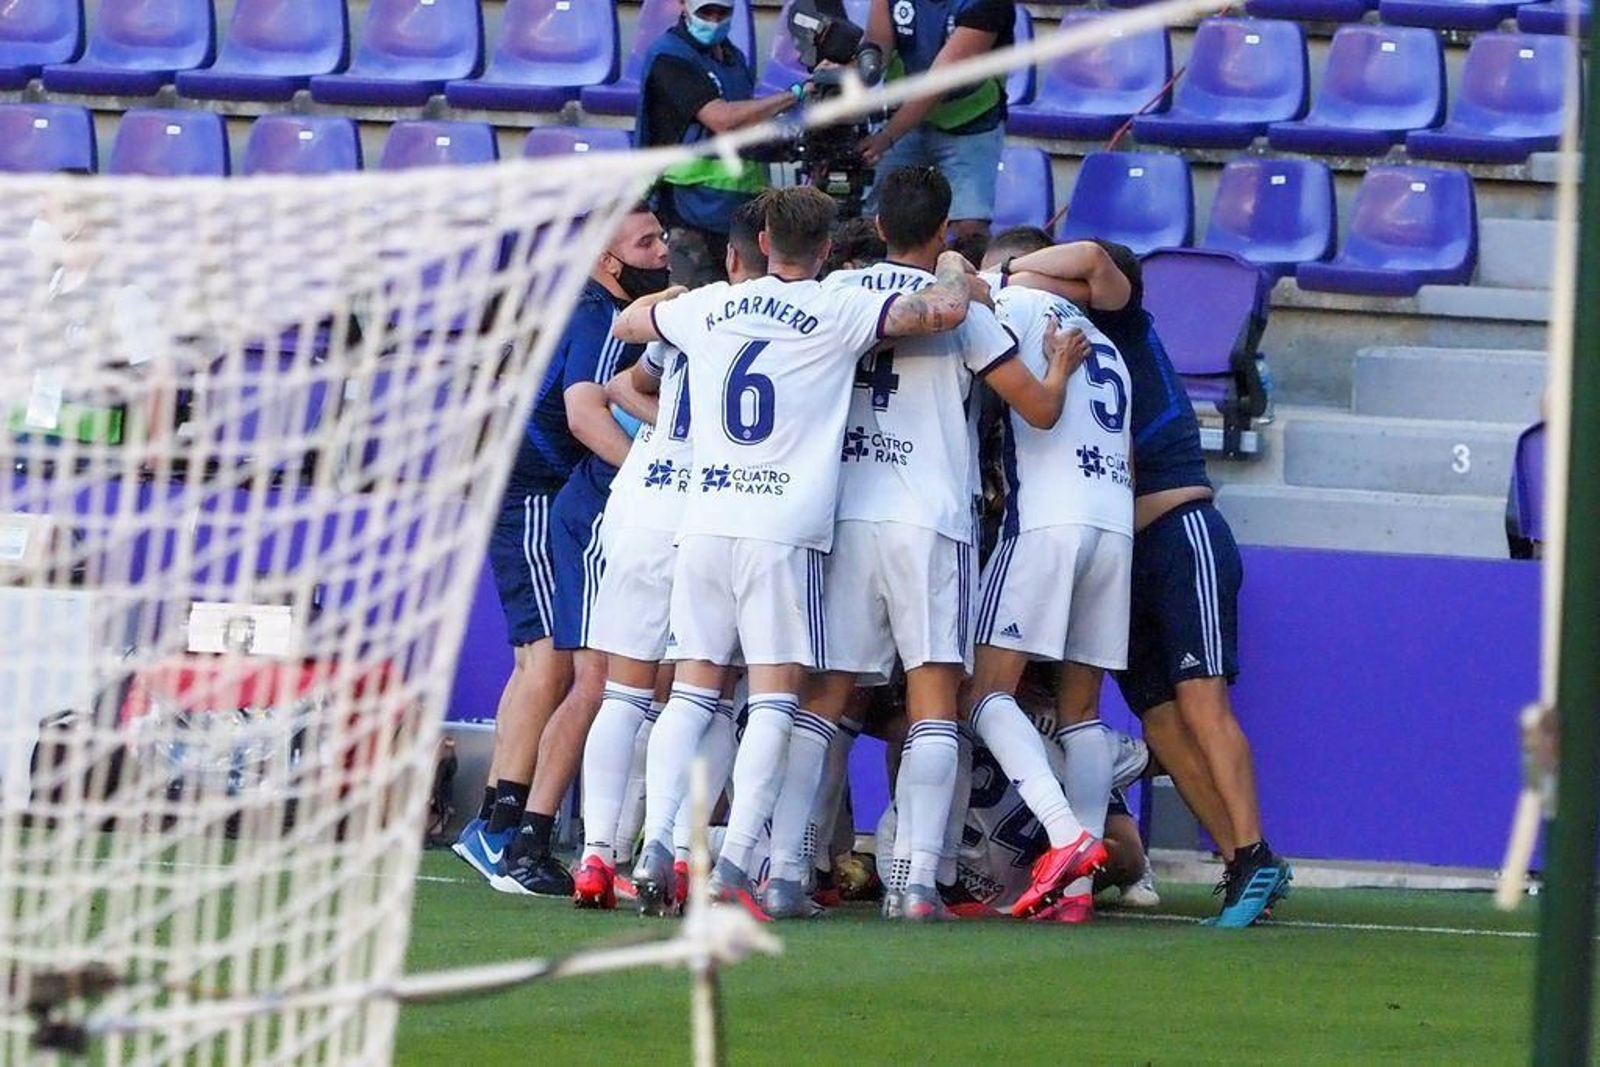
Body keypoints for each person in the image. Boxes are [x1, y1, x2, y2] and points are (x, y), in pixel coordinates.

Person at [611, 185, 983, 919]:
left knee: (692, 688)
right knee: (776, 698)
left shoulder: (711, 304)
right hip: (782, 531)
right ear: (824, 250)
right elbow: (943, 311)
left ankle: (656, 841)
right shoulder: (833, 307)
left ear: (761, 243)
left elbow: (629, 321)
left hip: (706, 521)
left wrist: (680, 296)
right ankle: (736, 862)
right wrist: (950, 262)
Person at [764, 166, 1082, 922]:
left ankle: (783, 870)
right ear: (944, 232)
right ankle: (912, 883)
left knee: (828, 696)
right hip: (930, 515)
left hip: (846, 511)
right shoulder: (963, 307)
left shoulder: (838, 294)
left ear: (874, 227)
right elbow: (1035, 410)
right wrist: (1061, 369)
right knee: (936, 693)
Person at [991, 228, 1294, 928]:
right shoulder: (1067, 337)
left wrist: (1008, 269)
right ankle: (1242, 859)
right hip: (1123, 546)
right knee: (1160, 716)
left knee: (1202, 700)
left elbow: (1095, 261)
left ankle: (1252, 849)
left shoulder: (1122, 321)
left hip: (1181, 529)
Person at [453, 205, 669, 892]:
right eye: (645, 242)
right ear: (609, 261)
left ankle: (495, 823)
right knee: (553, 665)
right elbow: (584, 409)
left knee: (539, 665)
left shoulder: (586, 306)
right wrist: (651, 478)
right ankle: (506, 830)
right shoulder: (598, 315)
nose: (661, 251)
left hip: (527, 487)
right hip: (537, 495)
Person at [567, 199, 769, 910]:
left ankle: (595, 856)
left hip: (642, 500)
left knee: (622, 692)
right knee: (702, 694)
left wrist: (674, 427)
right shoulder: (772, 322)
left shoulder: (678, 317)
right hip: (707, 509)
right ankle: (677, 849)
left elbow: (629, 382)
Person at [956, 243, 1134, 924]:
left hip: (1047, 521)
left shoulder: (1015, 305)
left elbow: (968, 297)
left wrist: (990, 281)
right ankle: (1078, 894)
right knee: (1083, 710)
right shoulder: (1106, 343)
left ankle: (1065, 837)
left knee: (984, 690)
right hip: (1112, 519)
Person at [636, 0, 810, 287]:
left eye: (722, 12)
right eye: (706, 12)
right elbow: (723, 119)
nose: (714, 20)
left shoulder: (733, 57)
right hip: (688, 216)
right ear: (684, 6)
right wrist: (795, 94)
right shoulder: (670, 57)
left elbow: (742, 128)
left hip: (739, 216)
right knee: (689, 313)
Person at [859, 0, 1015, 245]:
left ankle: (966, 279)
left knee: (969, 230)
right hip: (904, 117)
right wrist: (854, 72)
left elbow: (939, 82)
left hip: (970, 122)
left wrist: (886, 137)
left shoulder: (988, 4)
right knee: (873, 219)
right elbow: (877, 46)